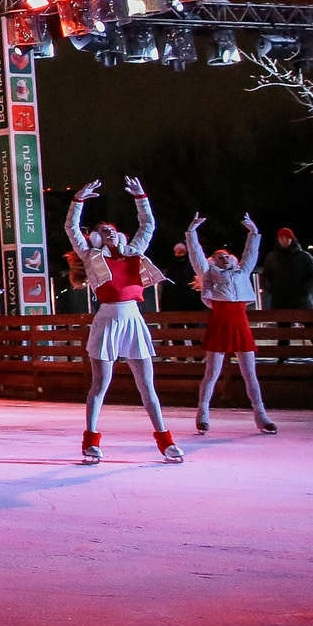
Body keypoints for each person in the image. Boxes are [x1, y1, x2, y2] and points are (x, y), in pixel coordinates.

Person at [65, 177, 183, 465]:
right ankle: (90, 442)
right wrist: (78, 199)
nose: (110, 233)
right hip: (107, 321)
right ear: (94, 238)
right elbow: (71, 227)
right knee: (100, 385)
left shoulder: (133, 253)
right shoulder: (91, 255)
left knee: (147, 387)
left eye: (113, 230)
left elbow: (148, 225)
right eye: (103, 231)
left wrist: (140, 196)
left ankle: (165, 440)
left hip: (133, 320)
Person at [187, 210, 277, 436]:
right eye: (219, 255)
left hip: (240, 325)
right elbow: (196, 255)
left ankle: (261, 415)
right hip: (220, 324)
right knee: (212, 372)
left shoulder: (242, 272)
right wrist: (191, 232)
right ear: (213, 260)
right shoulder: (208, 273)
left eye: (226, 255)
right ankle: (203, 413)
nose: (223, 257)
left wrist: (253, 232)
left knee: (250, 372)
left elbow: (251, 253)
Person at [261, 227, 313, 311]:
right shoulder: (271, 258)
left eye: (287, 238)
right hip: (280, 300)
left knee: (309, 322)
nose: (284, 240)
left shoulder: (304, 257)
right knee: (283, 323)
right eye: (281, 238)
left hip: (301, 300)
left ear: (292, 239)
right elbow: (265, 277)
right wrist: (273, 290)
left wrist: (304, 290)